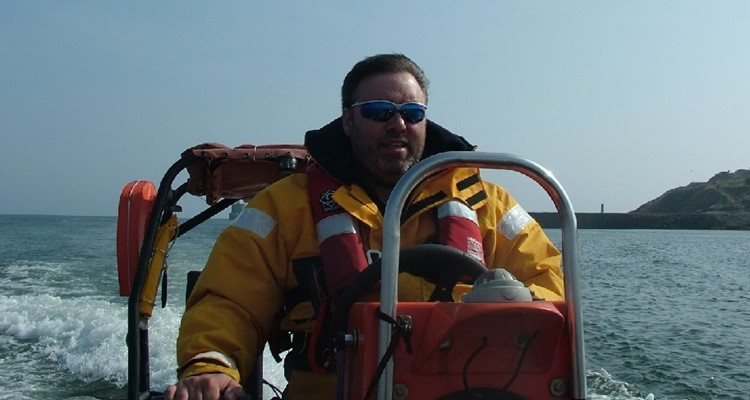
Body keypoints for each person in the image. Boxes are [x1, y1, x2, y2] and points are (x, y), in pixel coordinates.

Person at [164, 53, 564, 400]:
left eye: (412, 114)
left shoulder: (486, 204)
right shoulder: (286, 205)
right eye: (378, 112)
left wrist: (515, 303)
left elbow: (552, 281)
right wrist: (210, 365)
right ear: (348, 120)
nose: (398, 125)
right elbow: (230, 299)